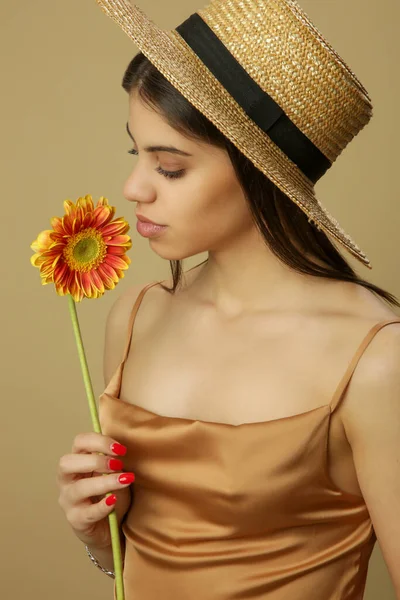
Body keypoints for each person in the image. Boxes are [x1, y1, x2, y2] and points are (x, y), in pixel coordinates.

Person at [57, 0, 400, 598]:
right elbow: (144, 563)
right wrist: (98, 538)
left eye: (168, 168)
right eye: (134, 152)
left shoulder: (375, 360)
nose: (134, 188)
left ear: (264, 174)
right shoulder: (137, 316)